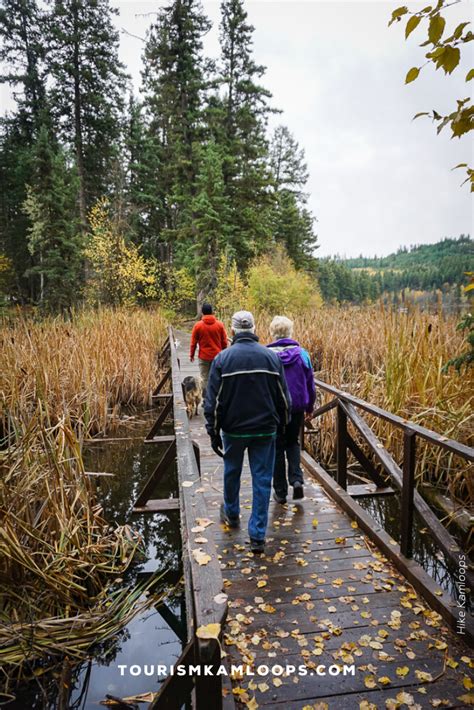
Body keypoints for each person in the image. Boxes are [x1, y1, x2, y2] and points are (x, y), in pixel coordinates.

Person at [204, 310, 291, 554]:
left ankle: (232, 514)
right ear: (254, 329)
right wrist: (282, 426)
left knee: (232, 472)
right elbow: (284, 399)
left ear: (231, 331)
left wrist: (212, 431)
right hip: (265, 430)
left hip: (233, 430)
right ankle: (257, 536)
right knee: (262, 479)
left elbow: (211, 401)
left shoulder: (222, 359)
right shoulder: (271, 358)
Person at [267, 315, 316, 503]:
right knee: (293, 442)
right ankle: (296, 480)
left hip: (275, 408)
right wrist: (310, 406)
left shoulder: (266, 355)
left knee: (277, 446)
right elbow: (310, 383)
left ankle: (280, 492)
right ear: (290, 332)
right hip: (296, 407)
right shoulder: (302, 354)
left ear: (273, 333)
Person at [190, 303, 228, 400]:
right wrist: (224, 354)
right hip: (218, 356)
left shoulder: (198, 326)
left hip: (203, 357)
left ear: (202, 312)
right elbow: (224, 341)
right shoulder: (219, 325)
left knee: (204, 378)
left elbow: (193, 342)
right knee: (217, 377)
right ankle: (218, 398)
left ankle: (207, 399)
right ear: (212, 312)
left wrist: (192, 355)